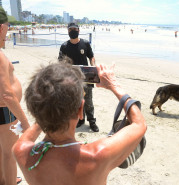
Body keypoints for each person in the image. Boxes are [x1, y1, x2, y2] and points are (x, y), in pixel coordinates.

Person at [12, 62, 147, 185]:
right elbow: (139, 123)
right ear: (81, 110)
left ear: (34, 111)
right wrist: (113, 85)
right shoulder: (97, 155)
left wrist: (47, 106)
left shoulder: (21, 152)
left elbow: (40, 118)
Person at [0, 7, 30, 185]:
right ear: (1, 27)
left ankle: (4, 179)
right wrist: (25, 123)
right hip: (5, 111)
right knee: (9, 153)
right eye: (8, 27)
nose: (7, 33)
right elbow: (6, 95)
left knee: (1, 150)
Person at [58, 22, 99, 132]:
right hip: (71, 78)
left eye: (74, 29)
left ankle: (92, 121)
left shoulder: (85, 43)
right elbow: (60, 62)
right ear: (68, 31)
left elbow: (91, 57)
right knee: (77, 100)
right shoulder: (64, 46)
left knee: (88, 101)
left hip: (86, 77)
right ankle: (81, 120)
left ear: (78, 30)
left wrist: (93, 67)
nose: (72, 31)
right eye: (70, 29)